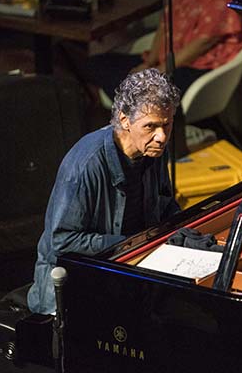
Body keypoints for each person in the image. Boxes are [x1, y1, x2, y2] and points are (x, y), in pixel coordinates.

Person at [27, 68, 181, 314]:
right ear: (124, 120)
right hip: (76, 285)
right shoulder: (86, 164)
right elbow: (62, 240)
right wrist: (128, 244)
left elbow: (164, 205)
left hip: (130, 266)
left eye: (167, 124)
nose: (161, 137)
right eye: (150, 126)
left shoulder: (154, 151)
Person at [87, 0, 242, 101]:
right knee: (96, 64)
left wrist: (160, 70)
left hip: (195, 66)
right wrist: (149, 62)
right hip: (164, 59)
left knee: (139, 90)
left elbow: (203, 42)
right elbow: (166, 23)